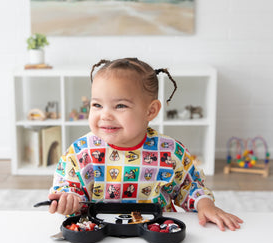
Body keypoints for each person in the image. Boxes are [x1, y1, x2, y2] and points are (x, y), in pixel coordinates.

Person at [48, 58, 243, 231]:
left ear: (150, 111)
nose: (105, 115)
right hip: (98, 234)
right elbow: (67, 186)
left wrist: (205, 205)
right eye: (97, 105)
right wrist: (68, 199)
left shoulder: (169, 152)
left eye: (120, 106)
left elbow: (190, 186)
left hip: (156, 233)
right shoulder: (81, 151)